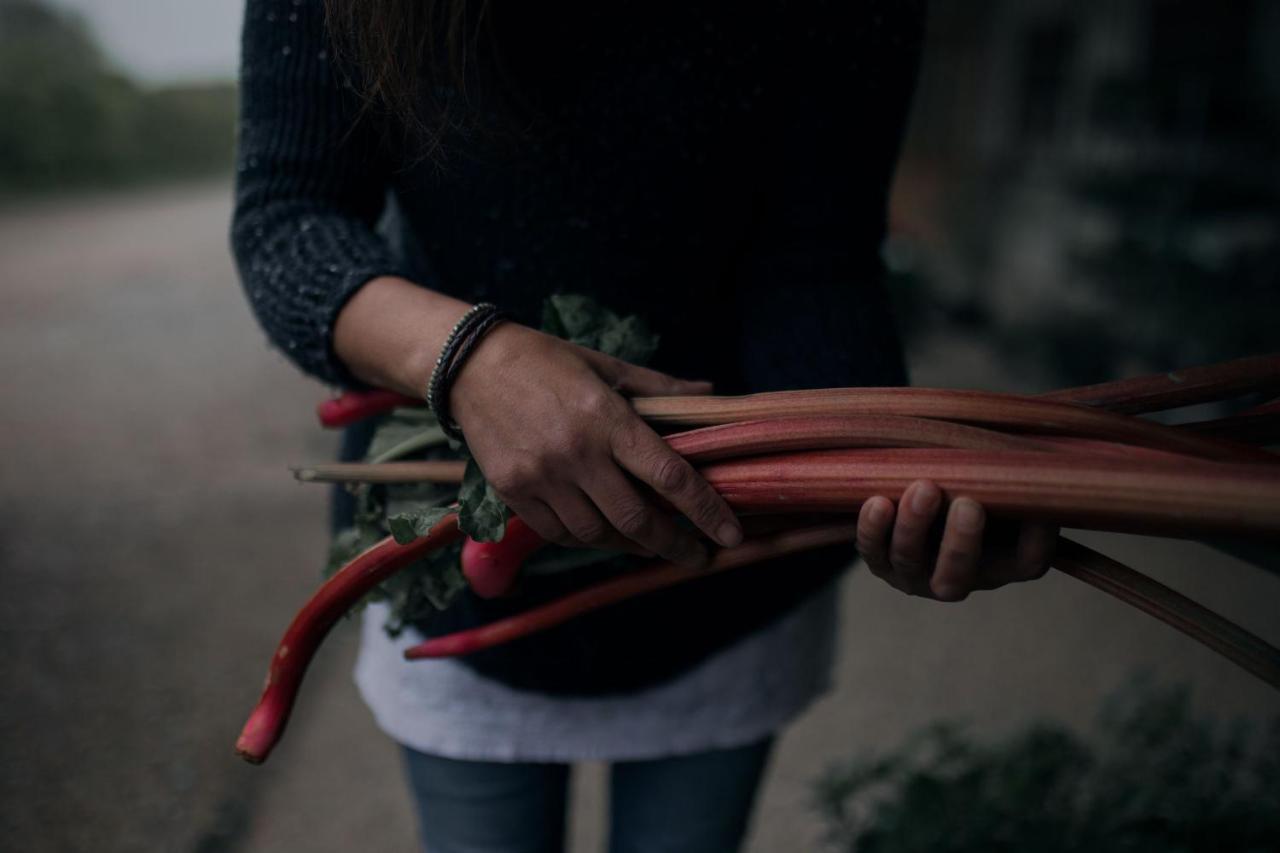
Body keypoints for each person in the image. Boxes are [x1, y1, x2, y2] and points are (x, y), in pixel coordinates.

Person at [231, 1, 1056, 850]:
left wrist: (887, 478)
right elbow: (287, 219)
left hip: (727, 579)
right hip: (453, 576)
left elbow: (817, 255)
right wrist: (468, 360)